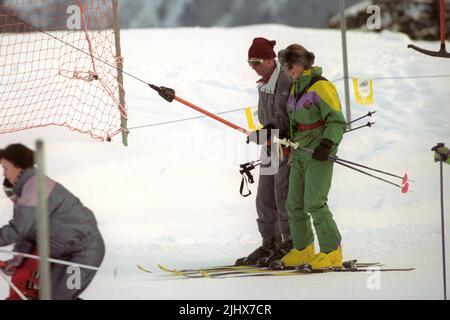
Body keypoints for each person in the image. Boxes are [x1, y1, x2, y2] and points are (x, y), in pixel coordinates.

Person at [273, 44, 347, 270]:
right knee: (293, 203)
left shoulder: (321, 87)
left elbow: (336, 120)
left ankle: (332, 251)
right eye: (285, 66)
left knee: (315, 202)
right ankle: (304, 249)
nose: (288, 69)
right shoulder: (296, 88)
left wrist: (327, 144)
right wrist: (285, 135)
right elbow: (296, 121)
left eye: (291, 65)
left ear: (303, 63)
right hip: (300, 151)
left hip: (318, 151)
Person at [0, 143, 105, 299]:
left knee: (62, 296)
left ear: (18, 166)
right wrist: (18, 259)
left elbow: (19, 228)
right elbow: (28, 236)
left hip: (83, 253)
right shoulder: (27, 192)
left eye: (5, 167)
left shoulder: (35, 186)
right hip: (63, 255)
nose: (4, 173)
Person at [235, 37, 293, 267]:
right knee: (264, 197)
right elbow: (267, 119)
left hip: (284, 147)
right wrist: (262, 134)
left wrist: (267, 132)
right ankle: (270, 243)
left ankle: (291, 242)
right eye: (250, 63)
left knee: (282, 196)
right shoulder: (264, 83)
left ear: (270, 59)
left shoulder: (284, 80)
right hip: (269, 147)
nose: (254, 67)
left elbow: (284, 118)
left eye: (257, 61)